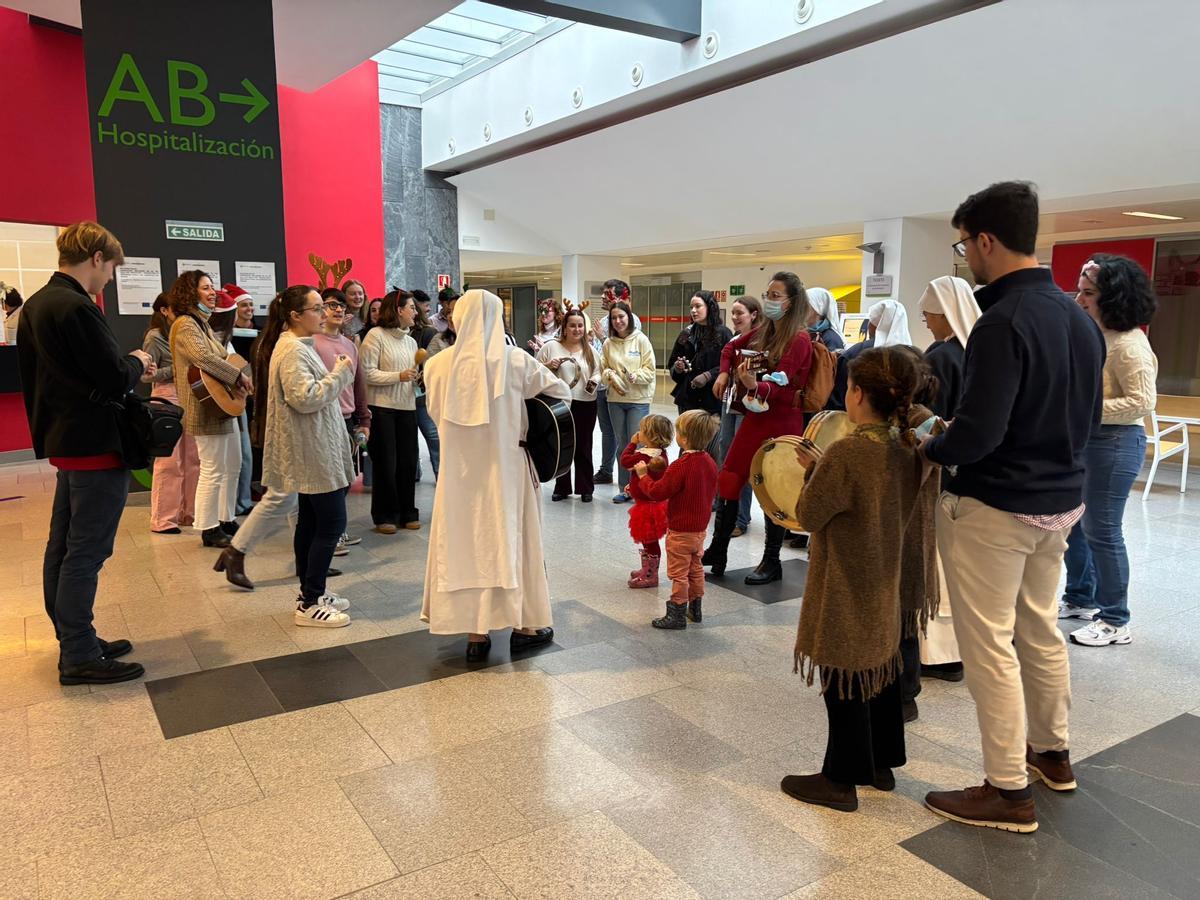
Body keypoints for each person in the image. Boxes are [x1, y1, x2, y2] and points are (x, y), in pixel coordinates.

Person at [919, 181, 1105, 833]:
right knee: (1039, 628)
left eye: (964, 243)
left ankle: (1006, 791)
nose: (964, 256)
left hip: (997, 507)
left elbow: (980, 433)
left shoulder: (1002, 322)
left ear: (987, 241)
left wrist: (931, 445)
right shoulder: (1079, 319)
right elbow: (1084, 417)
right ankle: (1052, 756)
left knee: (989, 643)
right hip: (1059, 501)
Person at [781, 346, 923, 813]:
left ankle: (840, 779)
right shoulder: (909, 445)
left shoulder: (845, 452)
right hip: (885, 571)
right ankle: (881, 763)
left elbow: (809, 514)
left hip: (846, 575)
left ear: (858, 394)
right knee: (880, 665)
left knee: (842, 673)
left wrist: (814, 470)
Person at [17, 221, 149, 684]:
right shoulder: (75, 306)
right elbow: (112, 377)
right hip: (94, 443)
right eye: (111, 267)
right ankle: (78, 653)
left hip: (65, 440)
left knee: (65, 546)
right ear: (96, 257)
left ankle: (77, 638)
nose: (110, 277)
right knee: (86, 552)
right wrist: (138, 361)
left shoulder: (37, 304)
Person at [420, 289, 570, 660]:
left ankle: (475, 634)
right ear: (496, 319)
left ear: (458, 319)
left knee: (463, 546)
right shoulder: (516, 360)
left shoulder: (436, 365)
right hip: (507, 472)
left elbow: (437, 414)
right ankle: (523, 625)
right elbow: (562, 390)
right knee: (511, 540)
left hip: (458, 474)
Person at [1059, 255, 1158, 647]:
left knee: (1103, 531)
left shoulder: (1130, 344)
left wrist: (1085, 407)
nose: (1079, 300)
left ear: (1113, 297)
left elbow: (1142, 401)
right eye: (1080, 291)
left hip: (1115, 444)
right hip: (1089, 441)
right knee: (1077, 525)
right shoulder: (1095, 334)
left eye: (1088, 293)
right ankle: (1080, 597)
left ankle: (1116, 619)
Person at [705, 272, 814, 585]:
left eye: (776, 295)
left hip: (782, 421)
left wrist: (757, 386)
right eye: (768, 294)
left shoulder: (800, 339)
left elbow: (782, 384)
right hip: (756, 418)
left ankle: (771, 560)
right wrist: (725, 375)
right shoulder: (764, 331)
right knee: (729, 476)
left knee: (772, 488)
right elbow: (729, 349)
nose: (769, 300)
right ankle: (718, 548)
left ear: (792, 302)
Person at [259, 285, 356, 627]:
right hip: (312, 450)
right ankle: (309, 602)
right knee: (331, 522)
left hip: (314, 445)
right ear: (295, 315)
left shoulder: (299, 344)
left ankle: (311, 591)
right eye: (316, 308)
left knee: (313, 521)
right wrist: (341, 374)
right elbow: (305, 397)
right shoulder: (293, 351)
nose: (325, 313)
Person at [915, 275, 982, 682]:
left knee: (936, 559)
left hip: (940, 470)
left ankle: (939, 655)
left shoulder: (941, 356)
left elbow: (929, 420)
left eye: (929, 313)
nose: (925, 319)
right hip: (971, 475)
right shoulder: (976, 351)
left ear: (945, 312)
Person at [169, 270, 251, 549]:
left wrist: (238, 369)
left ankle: (226, 518)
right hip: (205, 407)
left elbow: (224, 355)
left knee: (232, 465)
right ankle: (207, 527)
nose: (212, 292)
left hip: (220, 406)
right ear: (189, 293)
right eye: (205, 287)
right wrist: (237, 377)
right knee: (213, 469)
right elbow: (202, 357)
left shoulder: (201, 324)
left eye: (212, 287)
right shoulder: (185, 324)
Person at [633, 410, 720, 629]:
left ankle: (677, 613)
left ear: (684, 438)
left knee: (678, 572)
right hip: (700, 528)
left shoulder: (681, 465)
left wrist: (643, 476)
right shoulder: (709, 462)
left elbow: (658, 491)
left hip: (680, 529)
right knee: (695, 567)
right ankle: (695, 607)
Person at [360, 290, 420, 534]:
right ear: (399, 310)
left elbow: (410, 376)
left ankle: (408, 512)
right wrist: (400, 376)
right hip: (381, 408)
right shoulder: (375, 336)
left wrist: (416, 378)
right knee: (386, 464)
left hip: (407, 407)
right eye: (411, 308)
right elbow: (366, 373)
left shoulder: (411, 341)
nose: (415, 312)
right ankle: (385, 515)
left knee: (407, 463)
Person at [314, 289, 371, 549]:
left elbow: (359, 384)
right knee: (328, 482)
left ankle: (336, 530)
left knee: (347, 477)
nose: (338, 310)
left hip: (347, 419)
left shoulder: (349, 343)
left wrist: (364, 419)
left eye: (341, 306)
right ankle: (327, 535)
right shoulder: (310, 342)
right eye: (331, 305)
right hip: (322, 420)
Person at [143, 294, 200, 534]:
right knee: (169, 461)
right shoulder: (155, 337)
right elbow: (146, 375)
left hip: (190, 395)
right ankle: (164, 519)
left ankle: (190, 513)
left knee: (193, 460)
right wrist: (176, 369)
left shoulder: (185, 332)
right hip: (167, 398)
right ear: (165, 310)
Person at [537, 304, 600, 502]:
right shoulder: (550, 347)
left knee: (583, 445)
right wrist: (548, 366)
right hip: (559, 403)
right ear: (564, 327)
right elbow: (535, 371)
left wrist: (594, 381)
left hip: (585, 403)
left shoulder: (590, 351)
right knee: (561, 444)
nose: (576, 330)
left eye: (580, 326)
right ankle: (562, 487)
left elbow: (598, 371)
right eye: (572, 326)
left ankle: (585, 488)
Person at [602, 301, 656, 503]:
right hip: (615, 400)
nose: (618, 321)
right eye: (614, 318)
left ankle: (641, 487)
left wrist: (636, 376)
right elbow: (603, 369)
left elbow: (650, 370)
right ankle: (625, 488)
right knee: (623, 444)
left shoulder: (641, 340)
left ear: (629, 317)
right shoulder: (608, 343)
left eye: (621, 317)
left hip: (638, 400)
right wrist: (609, 375)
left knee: (639, 444)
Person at [717, 297, 760, 538]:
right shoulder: (734, 340)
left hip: (747, 407)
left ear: (754, 314)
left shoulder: (761, 340)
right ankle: (726, 509)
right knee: (726, 455)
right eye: (732, 313)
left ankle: (741, 517)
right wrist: (724, 374)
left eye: (739, 313)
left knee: (741, 459)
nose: (734, 317)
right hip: (730, 403)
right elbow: (726, 353)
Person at [592, 279, 642, 484]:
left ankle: (629, 478)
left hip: (622, 387)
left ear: (623, 297)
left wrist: (603, 338)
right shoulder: (604, 320)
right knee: (606, 431)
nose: (603, 297)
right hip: (603, 384)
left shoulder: (632, 320)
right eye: (603, 293)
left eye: (608, 293)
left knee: (625, 437)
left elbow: (624, 353)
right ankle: (606, 469)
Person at [619, 414, 674, 588]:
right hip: (652, 504)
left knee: (649, 541)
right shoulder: (659, 454)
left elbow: (625, 460)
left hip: (647, 508)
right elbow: (645, 475)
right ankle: (647, 570)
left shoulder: (644, 456)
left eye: (642, 430)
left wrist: (632, 443)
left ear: (650, 436)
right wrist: (633, 485)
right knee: (648, 541)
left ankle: (651, 575)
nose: (638, 433)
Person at [668, 291, 732, 437]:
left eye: (698, 306)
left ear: (709, 307)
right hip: (688, 398)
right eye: (691, 307)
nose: (693, 311)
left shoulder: (724, 334)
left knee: (711, 444)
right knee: (687, 442)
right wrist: (678, 368)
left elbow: (729, 365)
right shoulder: (686, 334)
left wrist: (708, 375)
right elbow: (671, 364)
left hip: (712, 399)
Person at [408, 290, 441, 483]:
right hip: (402, 395)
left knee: (432, 435)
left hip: (422, 394)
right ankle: (413, 474)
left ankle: (441, 474)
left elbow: (433, 361)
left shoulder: (428, 333)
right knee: (409, 439)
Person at [803, 287, 845, 352]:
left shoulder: (831, 339)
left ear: (818, 309)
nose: (800, 310)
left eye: (805, 306)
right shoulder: (806, 333)